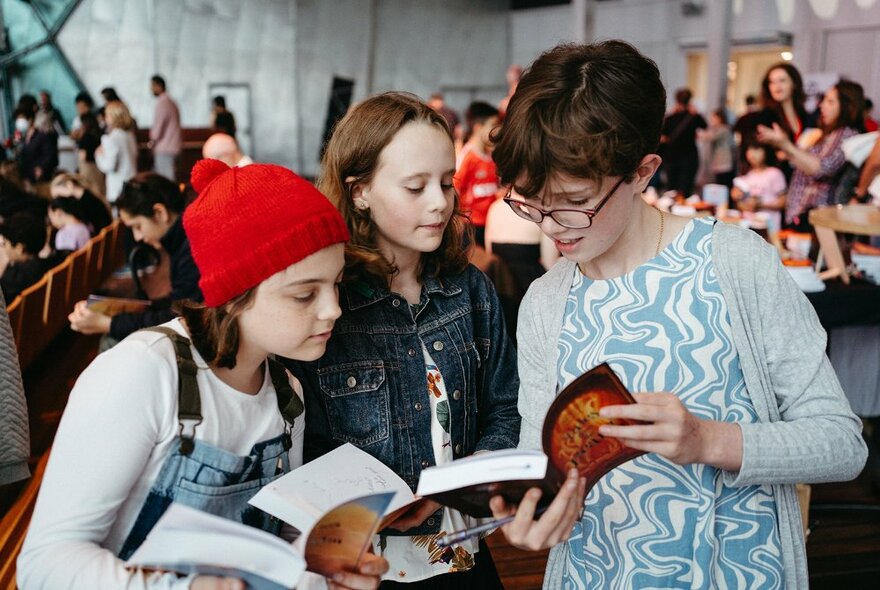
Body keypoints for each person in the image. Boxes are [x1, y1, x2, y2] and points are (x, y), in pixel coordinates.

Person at [489, 40, 866, 590]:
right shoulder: (548, 300)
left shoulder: (733, 264)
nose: (550, 225)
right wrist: (532, 515)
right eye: (530, 203)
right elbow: (539, 455)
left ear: (643, 172)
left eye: (573, 201)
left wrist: (708, 441)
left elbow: (841, 443)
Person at [18, 158, 388, 589]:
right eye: (305, 294)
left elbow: (283, 535)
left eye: (336, 283)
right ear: (233, 296)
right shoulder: (144, 372)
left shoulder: (287, 397)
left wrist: (325, 567)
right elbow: (44, 564)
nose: (334, 309)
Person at [286, 92, 521, 588]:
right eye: (415, 187)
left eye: (445, 182)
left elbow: (505, 408)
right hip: (361, 564)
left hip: (458, 550)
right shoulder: (331, 307)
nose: (439, 202)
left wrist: (458, 483)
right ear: (359, 192)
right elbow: (305, 447)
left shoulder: (469, 288)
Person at [68, 173, 202, 347]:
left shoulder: (191, 247)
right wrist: (130, 308)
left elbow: (181, 319)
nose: (137, 237)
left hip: (202, 340)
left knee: (111, 341)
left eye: (137, 226)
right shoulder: (185, 237)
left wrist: (109, 324)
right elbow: (180, 302)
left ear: (159, 213)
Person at [758, 79, 864, 229]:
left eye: (830, 101)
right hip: (803, 217)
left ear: (848, 106)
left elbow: (822, 168)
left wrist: (785, 144)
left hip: (817, 220)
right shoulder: (828, 135)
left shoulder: (846, 134)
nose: (822, 106)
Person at [754, 63, 813, 181]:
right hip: (776, 181)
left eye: (782, 80)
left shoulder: (806, 116)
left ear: (794, 83)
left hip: (804, 178)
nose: (777, 86)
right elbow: (761, 153)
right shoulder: (764, 117)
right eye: (772, 82)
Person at [454, 101, 501, 247]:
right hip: (472, 227)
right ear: (478, 127)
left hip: (491, 224)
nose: (496, 131)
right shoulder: (467, 157)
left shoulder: (491, 156)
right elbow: (454, 189)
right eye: (492, 125)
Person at [659, 88, 707, 197]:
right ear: (690, 100)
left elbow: (663, 135)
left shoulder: (670, 118)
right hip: (689, 157)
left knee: (671, 189)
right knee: (685, 189)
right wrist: (696, 113)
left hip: (671, 157)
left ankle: (670, 211)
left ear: (677, 100)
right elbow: (705, 125)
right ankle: (684, 211)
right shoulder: (693, 117)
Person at [731, 141, 786, 230]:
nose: (752, 153)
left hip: (770, 228)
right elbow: (740, 205)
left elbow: (784, 202)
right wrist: (737, 199)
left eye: (756, 149)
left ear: (766, 152)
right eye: (749, 150)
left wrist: (761, 204)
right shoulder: (744, 176)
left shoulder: (774, 173)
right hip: (749, 228)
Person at [95, 100, 138, 203]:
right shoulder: (130, 135)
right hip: (132, 182)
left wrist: (99, 155)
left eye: (106, 115)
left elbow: (109, 166)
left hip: (117, 187)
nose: (105, 118)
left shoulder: (110, 138)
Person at [0, 212, 50, 301]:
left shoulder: (13, 279)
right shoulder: (45, 265)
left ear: (19, 248)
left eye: (4, 243)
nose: (3, 247)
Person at [149, 75, 183, 181]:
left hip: (165, 147)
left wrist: (152, 141)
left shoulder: (163, 103)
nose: (151, 89)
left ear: (159, 86)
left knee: (165, 180)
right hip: (172, 146)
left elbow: (158, 127)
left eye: (152, 86)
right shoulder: (172, 102)